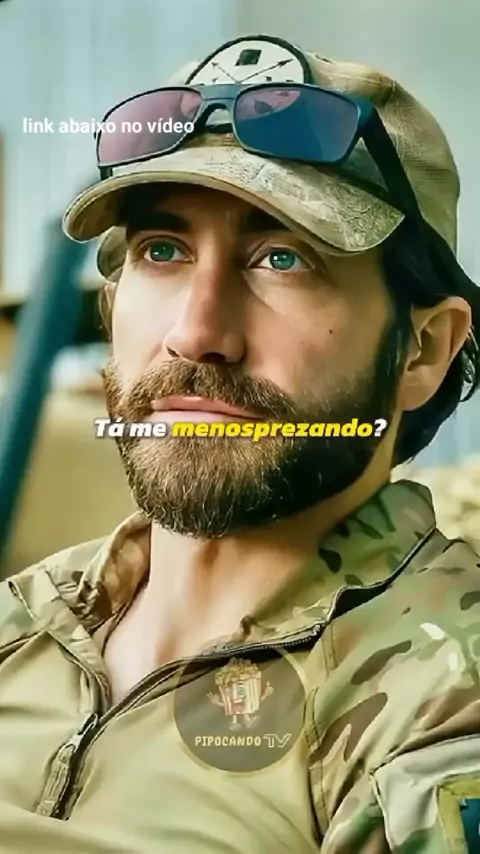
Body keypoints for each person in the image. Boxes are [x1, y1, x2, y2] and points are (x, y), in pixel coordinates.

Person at [1, 33, 480, 854]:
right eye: (162, 251)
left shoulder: (438, 694)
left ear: (424, 350)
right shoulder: (25, 619)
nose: (196, 333)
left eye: (282, 258)